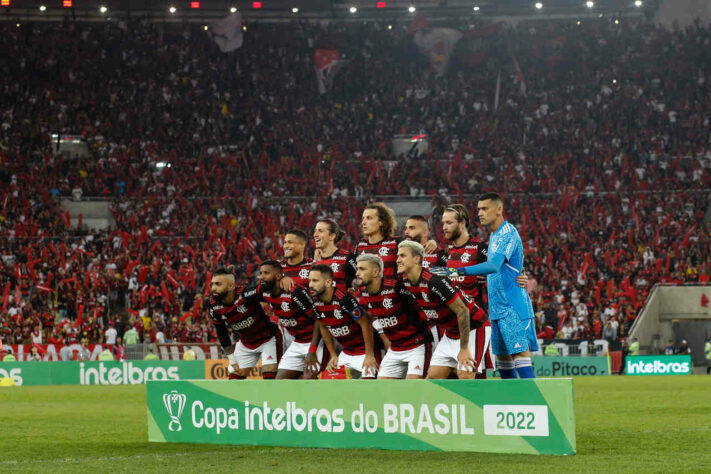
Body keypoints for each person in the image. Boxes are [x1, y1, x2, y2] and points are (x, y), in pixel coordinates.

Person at [433, 193, 538, 379]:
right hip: (496, 310)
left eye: (485, 208)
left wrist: (455, 271)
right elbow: (503, 269)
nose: (480, 213)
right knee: (504, 363)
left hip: (512, 307)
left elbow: (493, 266)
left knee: (521, 358)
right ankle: (511, 406)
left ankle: (535, 405)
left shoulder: (508, 233)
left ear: (499, 209)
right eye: (479, 209)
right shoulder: (494, 236)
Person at [396, 240, 479, 379]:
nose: (398, 260)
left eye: (403, 256)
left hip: (473, 327)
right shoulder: (405, 283)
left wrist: (464, 348)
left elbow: (463, 311)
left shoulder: (434, 281)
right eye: (398, 256)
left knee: (466, 378)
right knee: (433, 381)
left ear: (417, 259)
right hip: (451, 332)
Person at [355, 253, 432, 379]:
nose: (357, 273)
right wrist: (384, 337)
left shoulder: (396, 287)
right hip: (395, 349)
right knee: (383, 392)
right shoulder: (362, 293)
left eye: (362, 269)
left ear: (375, 272)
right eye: (357, 269)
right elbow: (371, 317)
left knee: (414, 389)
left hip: (416, 346)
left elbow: (420, 308)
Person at [256, 260, 337, 380]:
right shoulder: (263, 291)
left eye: (266, 273)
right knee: (280, 382)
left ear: (278, 276)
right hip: (298, 341)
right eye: (260, 273)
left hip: (317, 340)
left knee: (308, 380)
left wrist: (312, 350)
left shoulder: (295, 293)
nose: (261, 277)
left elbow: (318, 320)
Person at [207, 267, 283, 380]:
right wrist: (232, 360)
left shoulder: (246, 294)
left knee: (270, 379)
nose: (213, 288)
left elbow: (269, 289)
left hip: (268, 339)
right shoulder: (212, 305)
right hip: (245, 343)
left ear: (231, 286)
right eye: (212, 284)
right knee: (234, 381)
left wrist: (283, 280)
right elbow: (221, 332)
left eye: (218, 284)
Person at [309, 264, 378, 379]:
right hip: (346, 351)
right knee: (333, 386)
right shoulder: (315, 301)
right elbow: (323, 326)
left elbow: (366, 323)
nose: (310, 285)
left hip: (364, 350)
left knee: (366, 389)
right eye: (310, 280)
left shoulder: (344, 300)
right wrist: (333, 355)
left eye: (315, 281)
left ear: (328, 283)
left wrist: (369, 355)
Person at [355, 202, 437, 279]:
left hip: (390, 293)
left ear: (381, 222)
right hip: (364, 294)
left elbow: (418, 249)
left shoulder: (396, 243)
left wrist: (431, 242)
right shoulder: (360, 245)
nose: (363, 222)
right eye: (363, 218)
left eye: (369, 218)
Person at [312, 219, 357, 292]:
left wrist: (355, 290)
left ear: (331, 236)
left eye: (320, 231)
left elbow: (363, 278)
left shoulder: (346, 258)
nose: (315, 235)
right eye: (315, 231)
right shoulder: (314, 262)